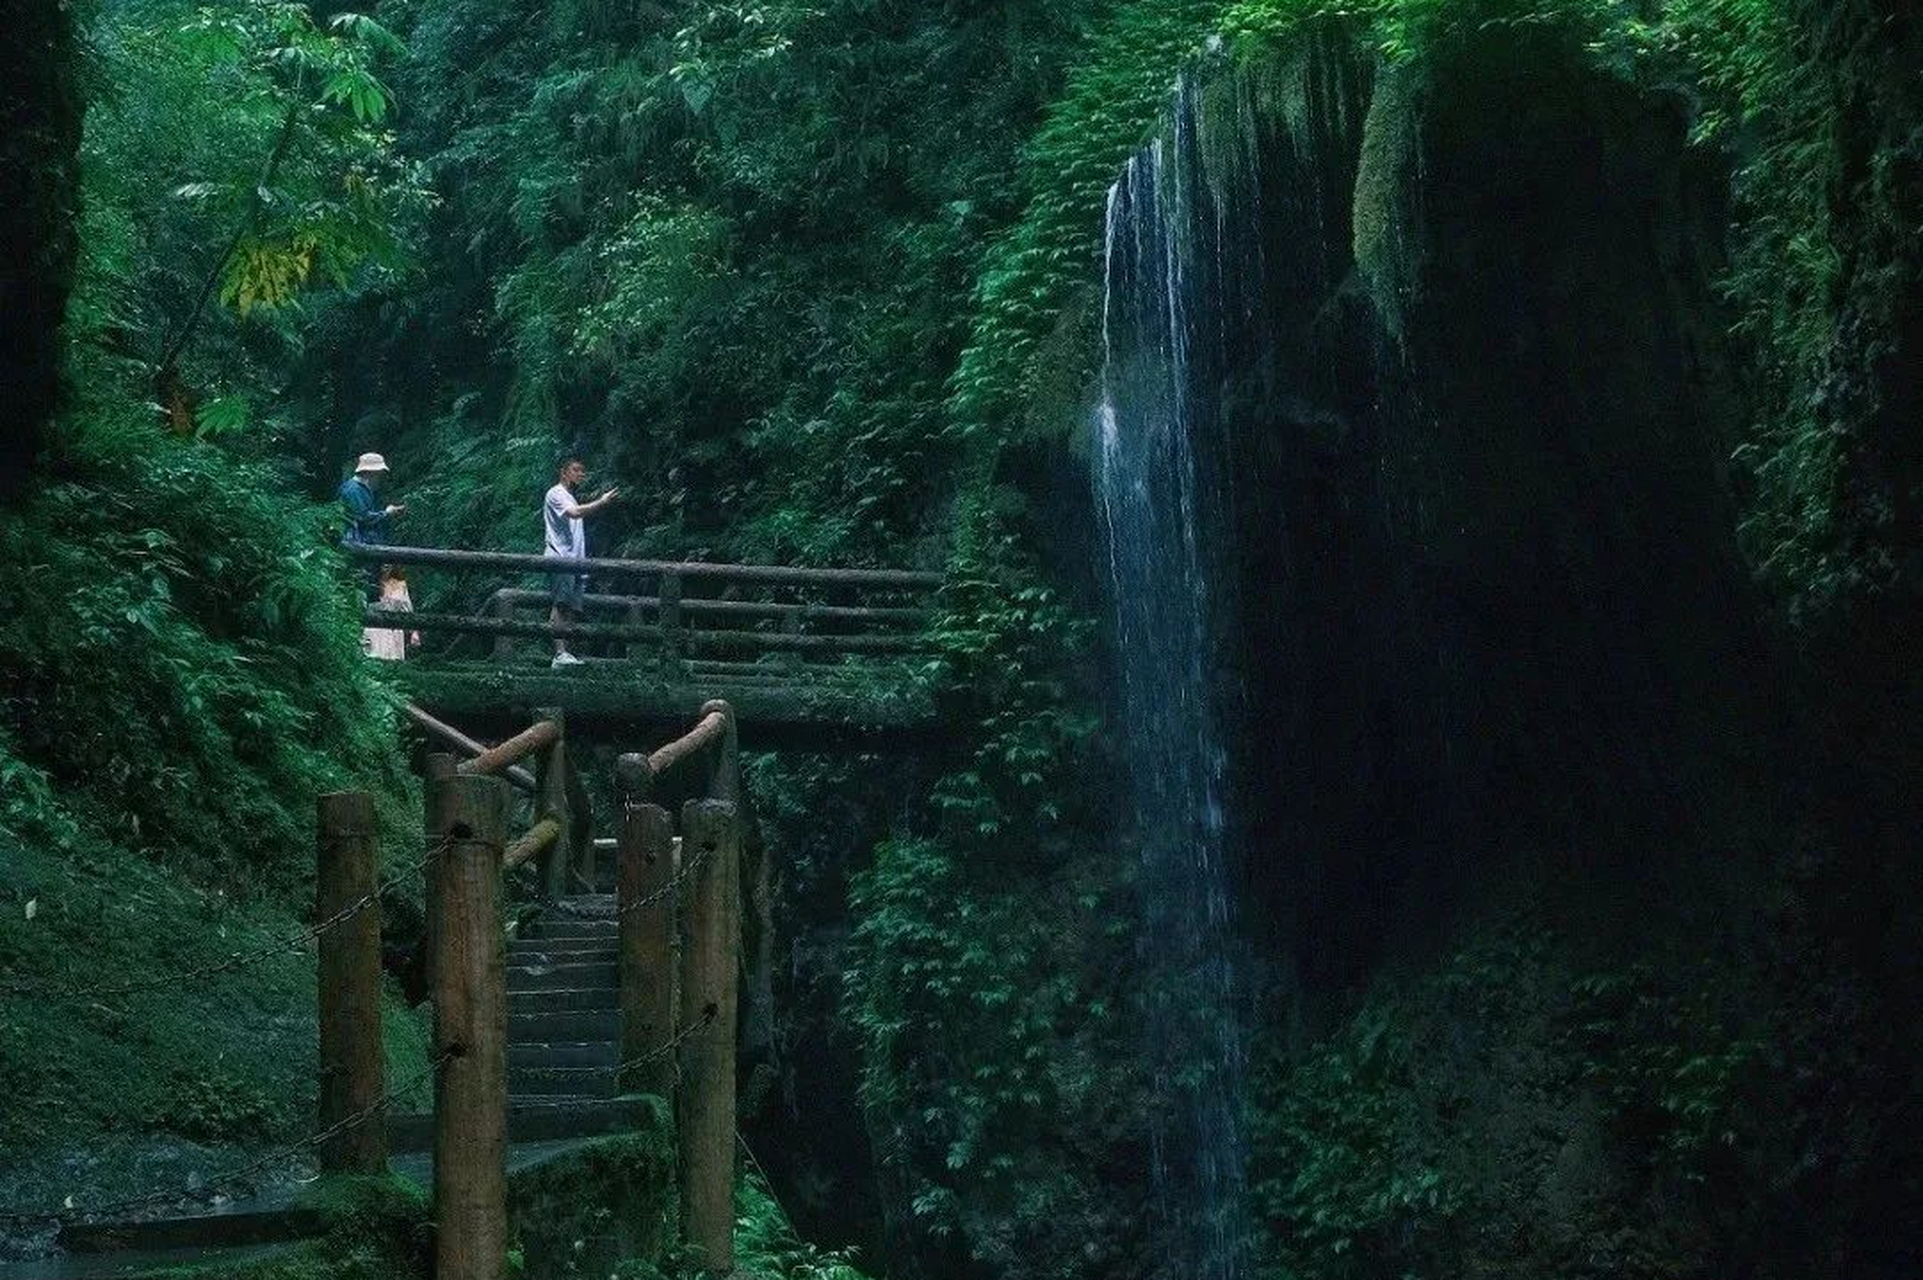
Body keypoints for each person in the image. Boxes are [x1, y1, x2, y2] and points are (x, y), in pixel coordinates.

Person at [544, 456, 619, 667]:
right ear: (564, 472)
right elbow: (574, 514)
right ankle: (559, 654)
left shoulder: (570, 496)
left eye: (582, 471)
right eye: (576, 470)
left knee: (573, 608)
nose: (580, 474)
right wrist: (602, 502)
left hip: (575, 560)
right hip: (561, 557)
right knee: (560, 604)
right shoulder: (556, 494)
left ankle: (566, 653)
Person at [339, 452, 405, 601]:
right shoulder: (353, 489)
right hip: (356, 543)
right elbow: (364, 517)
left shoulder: (362, 489)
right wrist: (387, 513)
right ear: (371, 472)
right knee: (361, 584)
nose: (381, 478)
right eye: (379, 474)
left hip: (364, 543)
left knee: (370, 583)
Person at [362, 565, 421, 661]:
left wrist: (414, 631)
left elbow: (407, 608)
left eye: (389, 562)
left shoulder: (401, 584)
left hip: (394, 628)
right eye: (383, 562)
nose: (386, 565)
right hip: (374, 628)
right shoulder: (370, 582)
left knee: (393, 659)